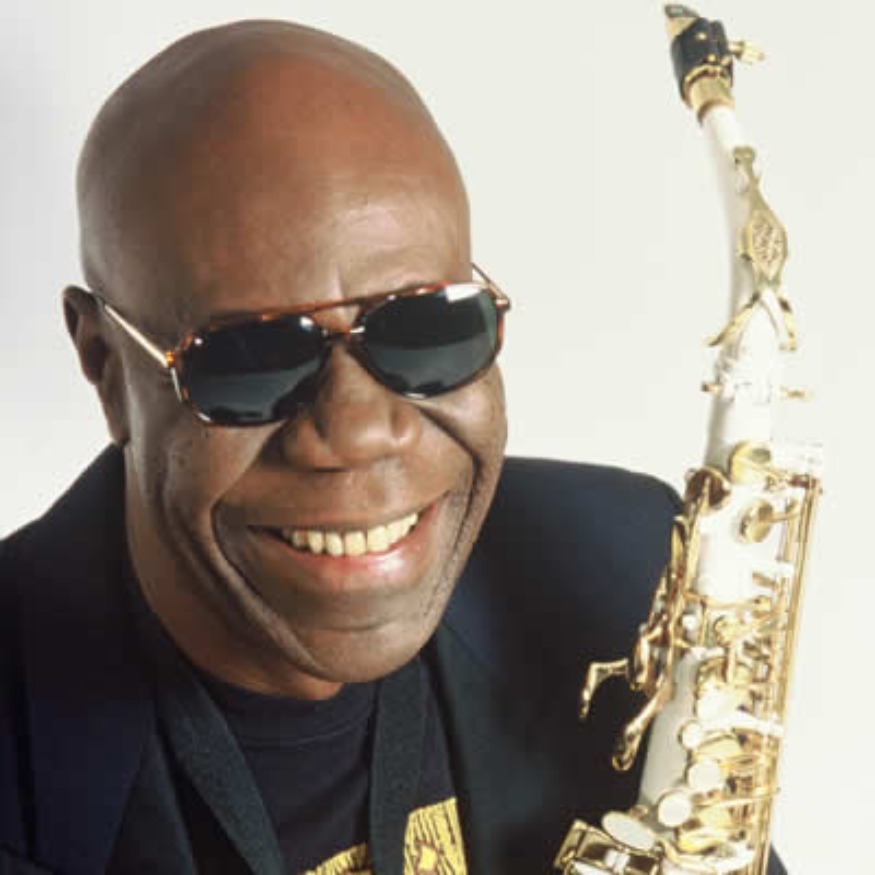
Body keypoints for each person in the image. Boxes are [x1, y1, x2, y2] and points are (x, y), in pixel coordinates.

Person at [0, 19, 784, 875]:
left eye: (425, 328)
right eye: (253, 357)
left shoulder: (622, 568)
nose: (361, 429)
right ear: (105, 364)